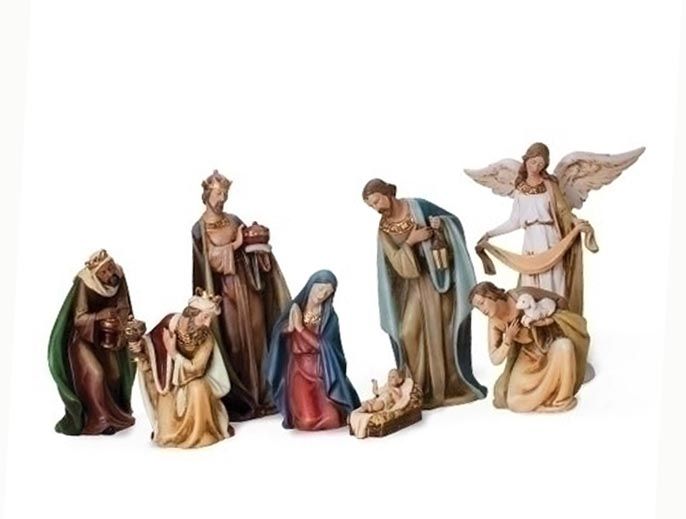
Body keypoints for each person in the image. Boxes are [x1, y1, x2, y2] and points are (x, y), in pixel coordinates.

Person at [362, 178, 486, 409]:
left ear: (386, 193)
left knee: (444, 330)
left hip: (439, 281)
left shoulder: (417, 206)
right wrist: (411, 241)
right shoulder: (384, 229)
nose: (376, 207)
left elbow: (452, 222)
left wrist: (440, 226)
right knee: (407, 331)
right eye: (371, 205)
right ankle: (417, 386)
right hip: (413, 285)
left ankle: (447, 385)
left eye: (376, 201)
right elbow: (395, 262)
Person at [192, 170, 291, 420]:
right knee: (234, 342)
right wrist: (234, 245)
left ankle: (264, 394)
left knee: (257, 335)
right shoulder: (200, 228)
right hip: (225, 292)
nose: (222, 199)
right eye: (218, 194)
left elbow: (249, 248)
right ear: (206, 195)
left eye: (225, 194)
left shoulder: (234, 219)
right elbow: (209, 260)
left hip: (247, 284)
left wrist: (258, 247)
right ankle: (243, 396)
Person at [127, 291, 233, 448]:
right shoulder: (169, 324)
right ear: (191, 314)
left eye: (210, 318)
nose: (208, 323)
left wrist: (174, 354)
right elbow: (153, 344)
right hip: (170, 382)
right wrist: (140, 346)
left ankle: (199, 433)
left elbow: (197, 368)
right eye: (205, 317)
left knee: (198, 388)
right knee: (166, 429)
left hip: (193, 380)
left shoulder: (206, 338)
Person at [48, 249, 136, 435]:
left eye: (110, 267)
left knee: (115, 375)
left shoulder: (119, 276)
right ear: (96, 275)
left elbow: (124, 306)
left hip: (106, 336)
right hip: (83, 339)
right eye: (104, 272)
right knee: (95, 374)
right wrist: (99, 316)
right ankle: (98, 419)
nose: (110, 273)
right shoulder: (85, 283)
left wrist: (120, 324)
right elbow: (79, 319)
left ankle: (115, 415)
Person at [470, 281, 590, 412]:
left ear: (491, 295)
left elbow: (559, 300)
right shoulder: (494, 323)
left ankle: (561, 401)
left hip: (549, 345)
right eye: (478, 308)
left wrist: (548, 320)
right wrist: (507, 341)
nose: (482, 310)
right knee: (513, 402)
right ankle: (544, 404)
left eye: (481, 303)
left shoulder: (520, 295)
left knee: (565, 347)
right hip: (528, 356)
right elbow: (494, 358)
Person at [266, 270, 360, 431]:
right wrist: (288, 329)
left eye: (327, 292)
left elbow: (328, 348)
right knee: (307, 421)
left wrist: (301, 329)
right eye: (320, 288)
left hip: (323, 374)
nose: (322, 295)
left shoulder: (329, 318)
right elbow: (279, 336)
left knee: (333, 419)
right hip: (299, 372)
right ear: (311, 285)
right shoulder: (295, 309)